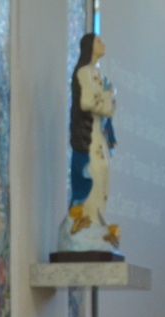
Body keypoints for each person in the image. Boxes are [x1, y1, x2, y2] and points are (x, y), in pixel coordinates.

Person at [58, 32, 120, 254]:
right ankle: (85, 221)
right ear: (90, 47)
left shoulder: (99, 75)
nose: (103, 43)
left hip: (99, 135)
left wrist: (105, 99)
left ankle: (96, 223)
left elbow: (109, 108)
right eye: (98, 41)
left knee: (103, 176)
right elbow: (87, 102)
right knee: (92, 174)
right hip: (88, 137)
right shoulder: (84, 72)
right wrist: (105, 98)